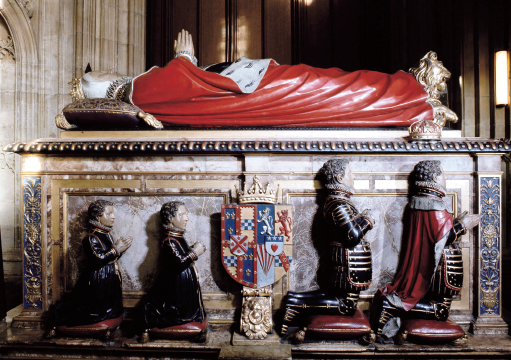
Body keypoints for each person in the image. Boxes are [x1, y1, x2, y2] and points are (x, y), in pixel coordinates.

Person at [68, 30, 457, 129]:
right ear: (101, 85)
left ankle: (405, 90)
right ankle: (408, 94)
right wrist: (184, 57)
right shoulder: (137, 88)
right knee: (325, 85)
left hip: (245, 85)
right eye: (97, 74)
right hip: (253, 91)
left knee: (328, 82)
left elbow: (191, 86)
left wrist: (188, 64)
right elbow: (183, 82)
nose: (105, 69)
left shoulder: (141, 86)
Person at [372, 160, 481, 339]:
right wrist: (464, 225)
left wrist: (456, 222)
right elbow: (440, 238)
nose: (445, 178)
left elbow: (434, 232)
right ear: (436, 177)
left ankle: (392, 305)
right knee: (440, 312)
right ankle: (391, 306)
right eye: (443, 174)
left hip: (428, 269)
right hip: (432, 272)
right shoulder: (434, 205)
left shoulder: (421, 202)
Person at [281, 159, 375, 335]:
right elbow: (352, 236)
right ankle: (297, 302)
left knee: (345, 302)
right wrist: (368, 221)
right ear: (340, 178)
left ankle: (296, 300)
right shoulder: (338, 204)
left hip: (349, 263)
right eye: (350, 174)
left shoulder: (339, 202)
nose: (353, 178)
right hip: (346, 265)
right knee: (346, 305)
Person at [45, 200, 132, 337]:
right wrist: (116, 249)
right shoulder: (91, 238)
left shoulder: (107, 234)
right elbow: (98, 259)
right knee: (93, 310)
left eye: (112, 213)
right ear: (97, 217)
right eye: (109, 213)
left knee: (110, 306)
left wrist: (120, 250)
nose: (113, 216)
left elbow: (110, 257)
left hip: (109, 278)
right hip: (97, 281)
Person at [133, 201, 207, 340]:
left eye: (186, 215)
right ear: (170, 219)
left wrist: (192, 249)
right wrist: (194, 252)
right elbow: (179, 262)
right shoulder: (169, 241)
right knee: (172, 313)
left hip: (183, 289)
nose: (186, 218)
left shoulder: (177, 237)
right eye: (182, 215)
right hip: (175, 291)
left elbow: (181, 256)